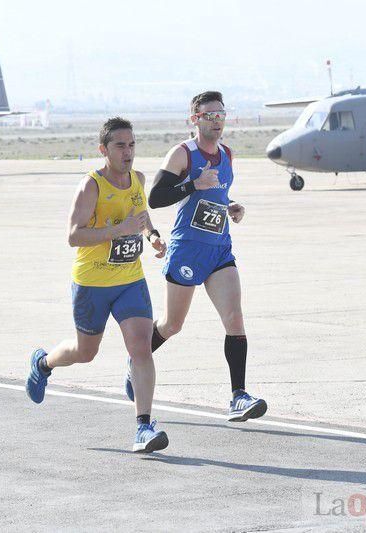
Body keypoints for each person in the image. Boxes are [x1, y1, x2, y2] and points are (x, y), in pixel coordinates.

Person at [26, 117, 170, 453]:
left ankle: (144, 427)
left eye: (132, 144)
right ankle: (43, 363)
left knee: (141, 347)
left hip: (130, 280)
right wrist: (118, 230)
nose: (128, 152)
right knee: (85, 352)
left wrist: (153, 236)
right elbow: (73, 236)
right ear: (103, 150)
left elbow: (142, 213)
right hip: (92, 284)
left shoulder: (138, 179)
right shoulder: (91, 186)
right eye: (120, 146)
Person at [125, 91, 267, 422]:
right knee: (172, 324)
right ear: (195, 120)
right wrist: (193, 185)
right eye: (209, 116)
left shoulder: (228, 154)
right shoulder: (182, 154)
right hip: (187, 248)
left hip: (219, 248)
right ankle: (137, 361)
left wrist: (231, 205)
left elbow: (218, 192)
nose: (217, 121)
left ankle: (238, 396)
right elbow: (157, 198)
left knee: (234, 318)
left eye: (221, 115)